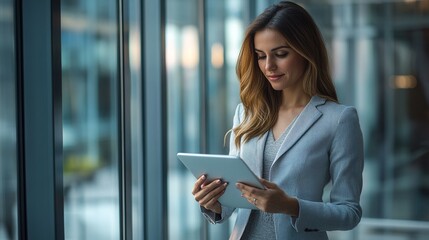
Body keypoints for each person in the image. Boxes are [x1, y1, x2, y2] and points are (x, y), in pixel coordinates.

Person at [191, 1, 364, 239]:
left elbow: (349, 212)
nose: (269, 66)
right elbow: (233, 200)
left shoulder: (339, 120)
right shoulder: (247, 113)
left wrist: (290, 206)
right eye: (261, 56)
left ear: (306, 51)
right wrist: (213, 202)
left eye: (281, 54)